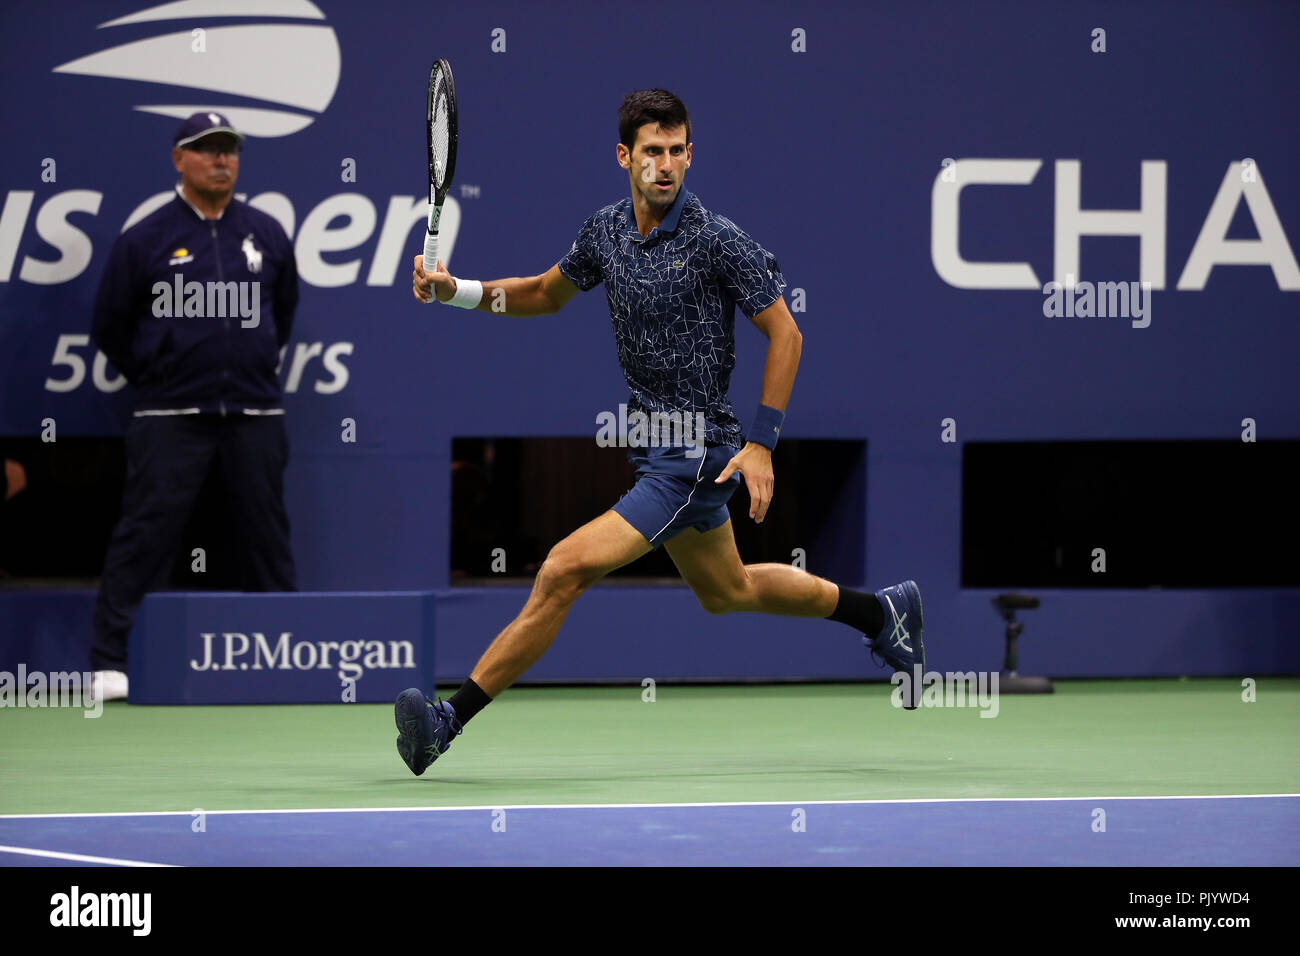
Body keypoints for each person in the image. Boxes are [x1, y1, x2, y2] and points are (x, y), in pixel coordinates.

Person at [397, 90, 924, 775]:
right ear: (625, 157)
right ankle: (882, 614)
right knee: (727, 591)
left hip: (695, 453)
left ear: (690, 154)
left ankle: (445, 723)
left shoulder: (715, 238)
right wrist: (457, 289)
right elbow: (542, 294)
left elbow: (786, 333)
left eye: (678, 150)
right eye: (652, 151)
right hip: (653, 448)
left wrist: (761, 443)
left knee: (561, 570)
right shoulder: (606, 233)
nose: (666, 164)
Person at [88, 112, 299, 701]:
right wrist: (159, 375)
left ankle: (286, 655)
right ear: (179, 159)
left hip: (254, 413)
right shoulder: (146, 238)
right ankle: (110, 661)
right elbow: (108, 325)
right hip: (169, 415)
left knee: (266, 537)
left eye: (229, 149)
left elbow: (282, 314)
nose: (221, 159)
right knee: (145, 534)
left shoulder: (266, 233)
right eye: (205, 150)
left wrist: (248, 363)